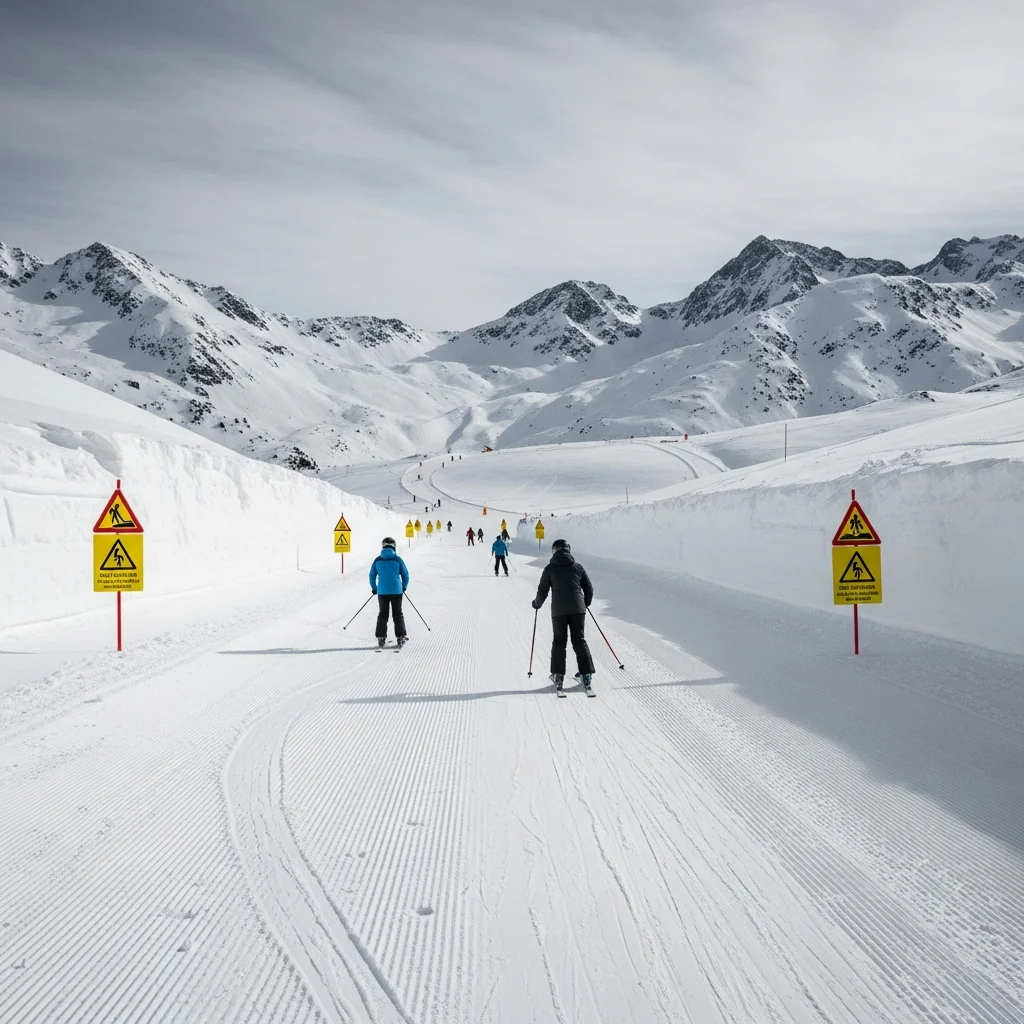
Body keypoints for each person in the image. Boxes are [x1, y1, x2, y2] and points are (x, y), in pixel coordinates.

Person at [531, 539, 595, 693]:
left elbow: (543, 590)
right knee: (579, 640)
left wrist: (537, 604)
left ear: (554, 551)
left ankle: (558, 675)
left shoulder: (549, 568)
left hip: (559, 610)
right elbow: (589, 587)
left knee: (559, 641)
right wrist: (585, 602)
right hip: (578, 609)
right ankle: (586, 676)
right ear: (568, 550)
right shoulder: (578, 567)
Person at [368, 537, 410, 648]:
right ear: (394, 547)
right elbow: (405, 574)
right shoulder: (397, 559)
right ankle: (400, 637)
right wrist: (404, 586)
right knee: (397, 613)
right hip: (397, 590)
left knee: (383, 614)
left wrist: (374, 588)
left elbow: (372, 575)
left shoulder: (377, 560)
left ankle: (381, 638)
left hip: (382, 591)